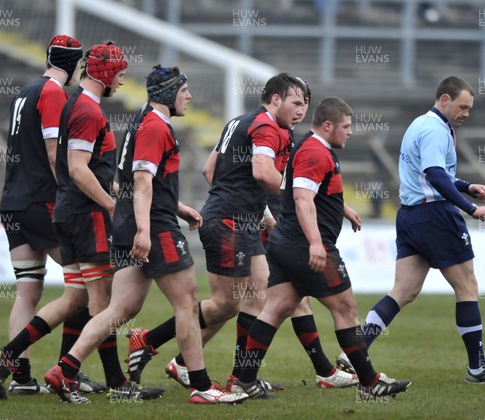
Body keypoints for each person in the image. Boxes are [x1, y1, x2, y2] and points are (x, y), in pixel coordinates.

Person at [44, 65, 248, 405]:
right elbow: (141, 181)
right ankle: (201, 386)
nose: (190, 96)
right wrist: (144, 229)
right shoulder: (155, 125)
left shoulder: (144, 121)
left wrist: (177, 206)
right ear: (169, 94)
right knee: (187, 302)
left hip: (134, 222)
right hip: (152, 226)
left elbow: (140, 179)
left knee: (119, 308)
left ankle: (64, 369)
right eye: (184, 91)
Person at [124, 73, 311, 390]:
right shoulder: (266, 126)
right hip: (229, 223)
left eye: (305, 104)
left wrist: (257, 211)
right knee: (226, 304)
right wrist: (299, 195)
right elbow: (263, 172)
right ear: (276, 99)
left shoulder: (239, 121)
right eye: (296, 102)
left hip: (239, 220)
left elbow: (210, 170)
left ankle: (242, 379)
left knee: (256, 298)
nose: (300, 110)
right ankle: (148, 339)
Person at [337, 76, 485, 385]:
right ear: (444, 99)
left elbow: (433, 173)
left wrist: (465, 185)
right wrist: (469, 207)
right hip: (435, 215)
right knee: (467, 287)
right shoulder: (436, 130)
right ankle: (477, 368)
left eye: (469, 108)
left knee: (404, 291)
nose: (466, 113)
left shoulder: (420, 125)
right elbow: (435, 175)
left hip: (410, 215)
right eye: (462, 106)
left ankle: (356, 352)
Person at [0, 42, 139, 403]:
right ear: (74, 67)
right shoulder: (57, 95)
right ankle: (82, 373)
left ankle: (21, 371)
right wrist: (96, 199)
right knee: (94, 292)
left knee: (41, 291)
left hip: (15, 202)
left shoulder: (24, 93)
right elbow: (64, 159)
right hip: (49, 203)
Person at [232, 97, 412, 399]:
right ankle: (369, 382)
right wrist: (316, 243)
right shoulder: (316, 151)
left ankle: (244, 379)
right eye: (346, 126)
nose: (350, 132)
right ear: (328, 125)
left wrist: (342, 209)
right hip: (305, 245)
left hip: (284, 243)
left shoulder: (309, 146)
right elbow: (302, 198)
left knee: (276, 308)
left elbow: (311, 190)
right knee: (345, 308)